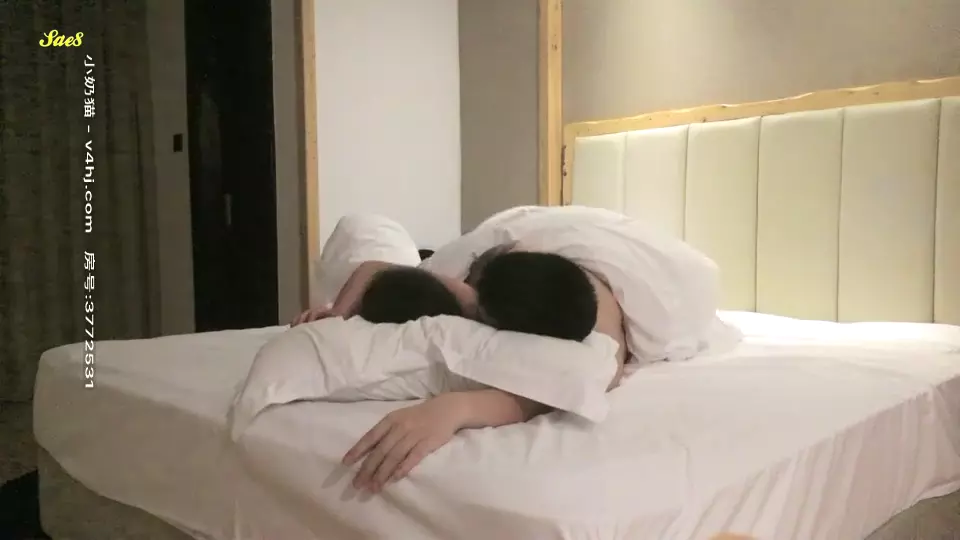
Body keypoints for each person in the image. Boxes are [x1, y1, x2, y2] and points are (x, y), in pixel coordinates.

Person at [332, 246, 628, 495]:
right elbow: (373, 268)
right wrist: (335, 314)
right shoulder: (483, 289)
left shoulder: (592, 324)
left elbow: (587, 380)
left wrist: (459, 408)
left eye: (482, 321)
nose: (472, 323)